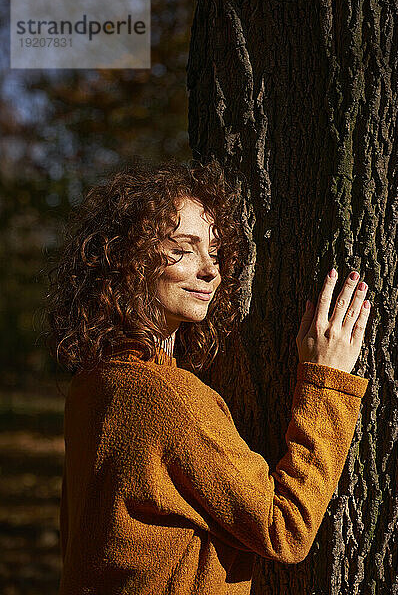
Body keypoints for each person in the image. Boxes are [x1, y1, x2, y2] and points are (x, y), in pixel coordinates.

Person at [45, 157, 371, 595]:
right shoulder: (168, 396)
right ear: (126, 258)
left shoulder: (93, 383)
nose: (210, 269)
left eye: (215, 251)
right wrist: (325, 381)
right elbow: (285, 528)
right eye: (182, 248)